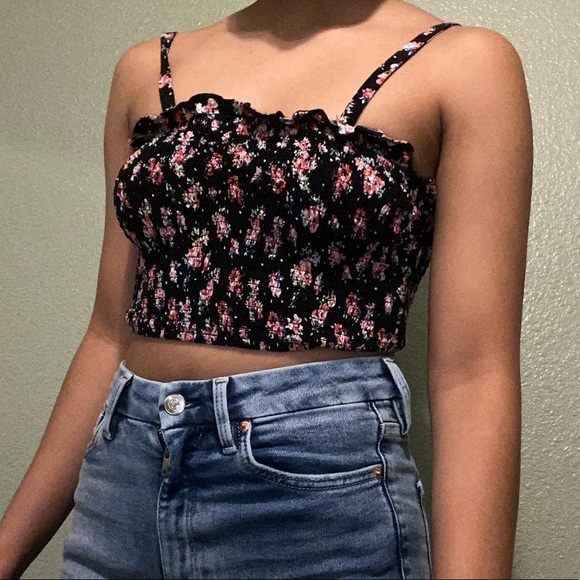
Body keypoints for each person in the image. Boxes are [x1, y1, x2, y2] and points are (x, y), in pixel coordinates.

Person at [0, 0, 533, 578]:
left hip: (317, 505)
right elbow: (109, 335)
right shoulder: (146, 69)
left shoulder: (463, 63)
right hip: (123, 492)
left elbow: (473, 377)